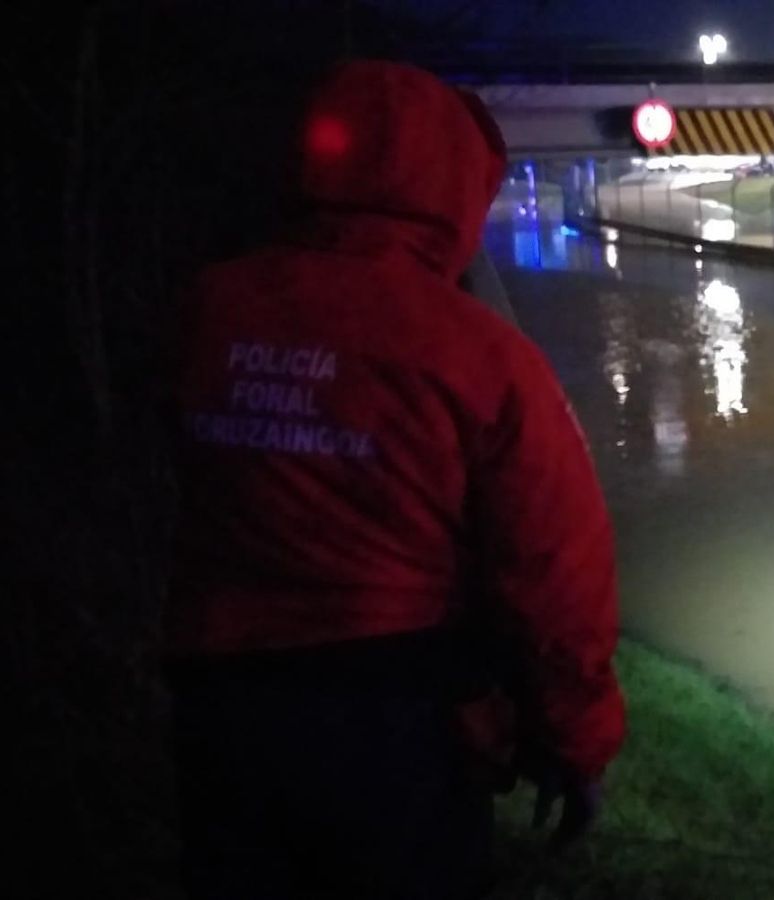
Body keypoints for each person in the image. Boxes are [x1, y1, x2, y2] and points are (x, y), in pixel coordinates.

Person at [165, 60, 625, 899]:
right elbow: (556, 571)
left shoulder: (208, 308)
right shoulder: (480, 354)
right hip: (395, 723)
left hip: (218, 703)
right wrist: (576, 744)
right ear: (454, 185)